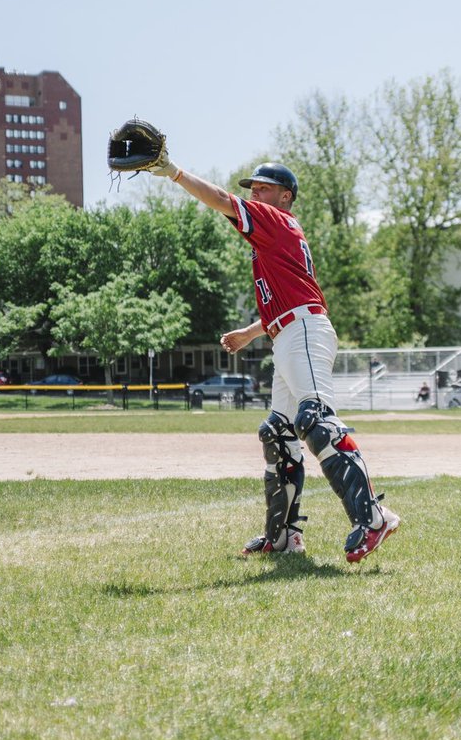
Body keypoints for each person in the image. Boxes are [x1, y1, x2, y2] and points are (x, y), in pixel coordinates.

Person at [150, 152, 400, 565]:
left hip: (302, 331)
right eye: (253, 189)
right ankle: (282, 537)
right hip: (289, 331)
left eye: (264, 188)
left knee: (314, 419)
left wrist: (173, 172)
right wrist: (251, 333)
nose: (255, 194)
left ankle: (374, 517)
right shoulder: (273, 233)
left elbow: (221, 200)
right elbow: (289, 298)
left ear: (286, 197)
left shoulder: (275, 220)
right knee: (279, 432)